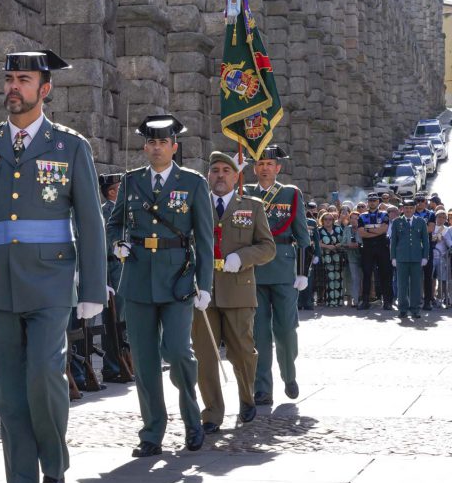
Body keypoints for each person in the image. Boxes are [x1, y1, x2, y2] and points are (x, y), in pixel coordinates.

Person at [0, 49, 106, 483]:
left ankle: (54, 472)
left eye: (24, 79)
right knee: (9, 387)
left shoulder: (69, 146)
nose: (13, 87)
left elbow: (90, 220)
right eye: (10, 78)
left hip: (52, 280)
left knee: (43, 375)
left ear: (45, 89)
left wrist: (93, 288)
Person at [107, 114, 212, 458]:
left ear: (174, 147)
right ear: (144, 146)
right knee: (145, 359)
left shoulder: (193, 182)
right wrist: (116, 244)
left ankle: (193, 422)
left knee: (180, 352)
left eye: (162, 143)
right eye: (151, 142)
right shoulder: (131, 180)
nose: (156, 148)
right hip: (137, 278)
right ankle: (152, 431)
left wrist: (205, 284)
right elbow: (115, 222)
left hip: (177, 278)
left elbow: (205, 239)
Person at [191, 152, 275, 433]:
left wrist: (242, 257)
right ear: (208, 176)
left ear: (237, 176)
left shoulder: (251, 207)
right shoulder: (196, 204)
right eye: (215, 170)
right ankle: (212, 413)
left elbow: (268, 247)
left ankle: (247, 396)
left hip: (238, 289)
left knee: (242, 352)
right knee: (205, 355)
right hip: (203, 291)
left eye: (227, 170)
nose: (220, 175)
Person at [242, 145, 310, 405]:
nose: (264, 168)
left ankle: (289, 374)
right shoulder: (245, 193)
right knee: (258, 333)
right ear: (253, 168)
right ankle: (262, 387)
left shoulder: (290, 194)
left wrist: (302, 272)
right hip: (255, 270)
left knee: (285, 330)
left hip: (283, 268)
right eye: (259, 164)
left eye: (269, 164)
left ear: (278, 168)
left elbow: (303, 237)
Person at [99, 173, 131, 383]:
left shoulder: (122, 211)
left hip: (123, 268)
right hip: (112, 269)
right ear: (112, 192)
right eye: (120, 188)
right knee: (113, 321)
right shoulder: (107, 212)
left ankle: (125, 362)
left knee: (124, 321)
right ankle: (112, 366)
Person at [390, 198, 429, 320]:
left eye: (411, 208)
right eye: (406, 208)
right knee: (402, 285)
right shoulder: (397, 222)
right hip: (401, 258)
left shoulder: (421, 222)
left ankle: (415, 309)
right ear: (403, 209)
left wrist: (425, 256)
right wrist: (393, 257)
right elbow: (393, 241)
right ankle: (402, 309)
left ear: (414, 209)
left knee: (416, 285)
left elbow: (425, 241)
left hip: (417, 258)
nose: (408, 210)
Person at [358, 193, 393, 311]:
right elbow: (361, 233)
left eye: (374, 200)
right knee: (367, 274)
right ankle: (365, 301)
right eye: (370, 200)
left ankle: (387, 301)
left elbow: (384, 230)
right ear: (368, 202)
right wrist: (376, 230)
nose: (372, 202)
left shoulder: (384, 214)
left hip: (382, 247)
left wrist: (368, 229)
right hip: (367, 248)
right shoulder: (362, 216)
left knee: (385, 274)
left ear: (378, 201)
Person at [413, 194, 437, 311]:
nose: (420, 202)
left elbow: (431, 229)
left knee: (428, 276)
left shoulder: (431, 214)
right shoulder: (410, 213)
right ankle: (415, 300)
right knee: (414, 276)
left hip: (426, 249)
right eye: (417, 200)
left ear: (425, 202)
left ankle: (427, 301)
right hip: (413, 249)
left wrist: (416, 230)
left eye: (422, 200)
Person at [317, 212, 344, 307]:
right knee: (329, 279)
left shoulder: (338, 228)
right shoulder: (319, 230)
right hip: (326, 258)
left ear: (333, 221)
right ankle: (330, 301)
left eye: (330, 219)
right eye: (326, 219)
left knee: (339, 278)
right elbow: (317, 243)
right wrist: (328, 246)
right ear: (322, 220)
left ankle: (339, 301)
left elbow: (344, 240)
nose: (328, 221)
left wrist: (338, 245)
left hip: (338, 257)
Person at [343, 211, 363, 307]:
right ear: (349, 219)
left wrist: (359, 245)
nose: (354, 220)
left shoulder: (363, 228)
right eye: (352, 218)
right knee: (355, 278)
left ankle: (363, 299)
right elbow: (342, 243)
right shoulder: (347, 229)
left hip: (363, 256)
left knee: (363, 278)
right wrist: (348, 245)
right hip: (351, 256)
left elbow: (366, 241)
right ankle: (356, 300)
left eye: (356, 218)